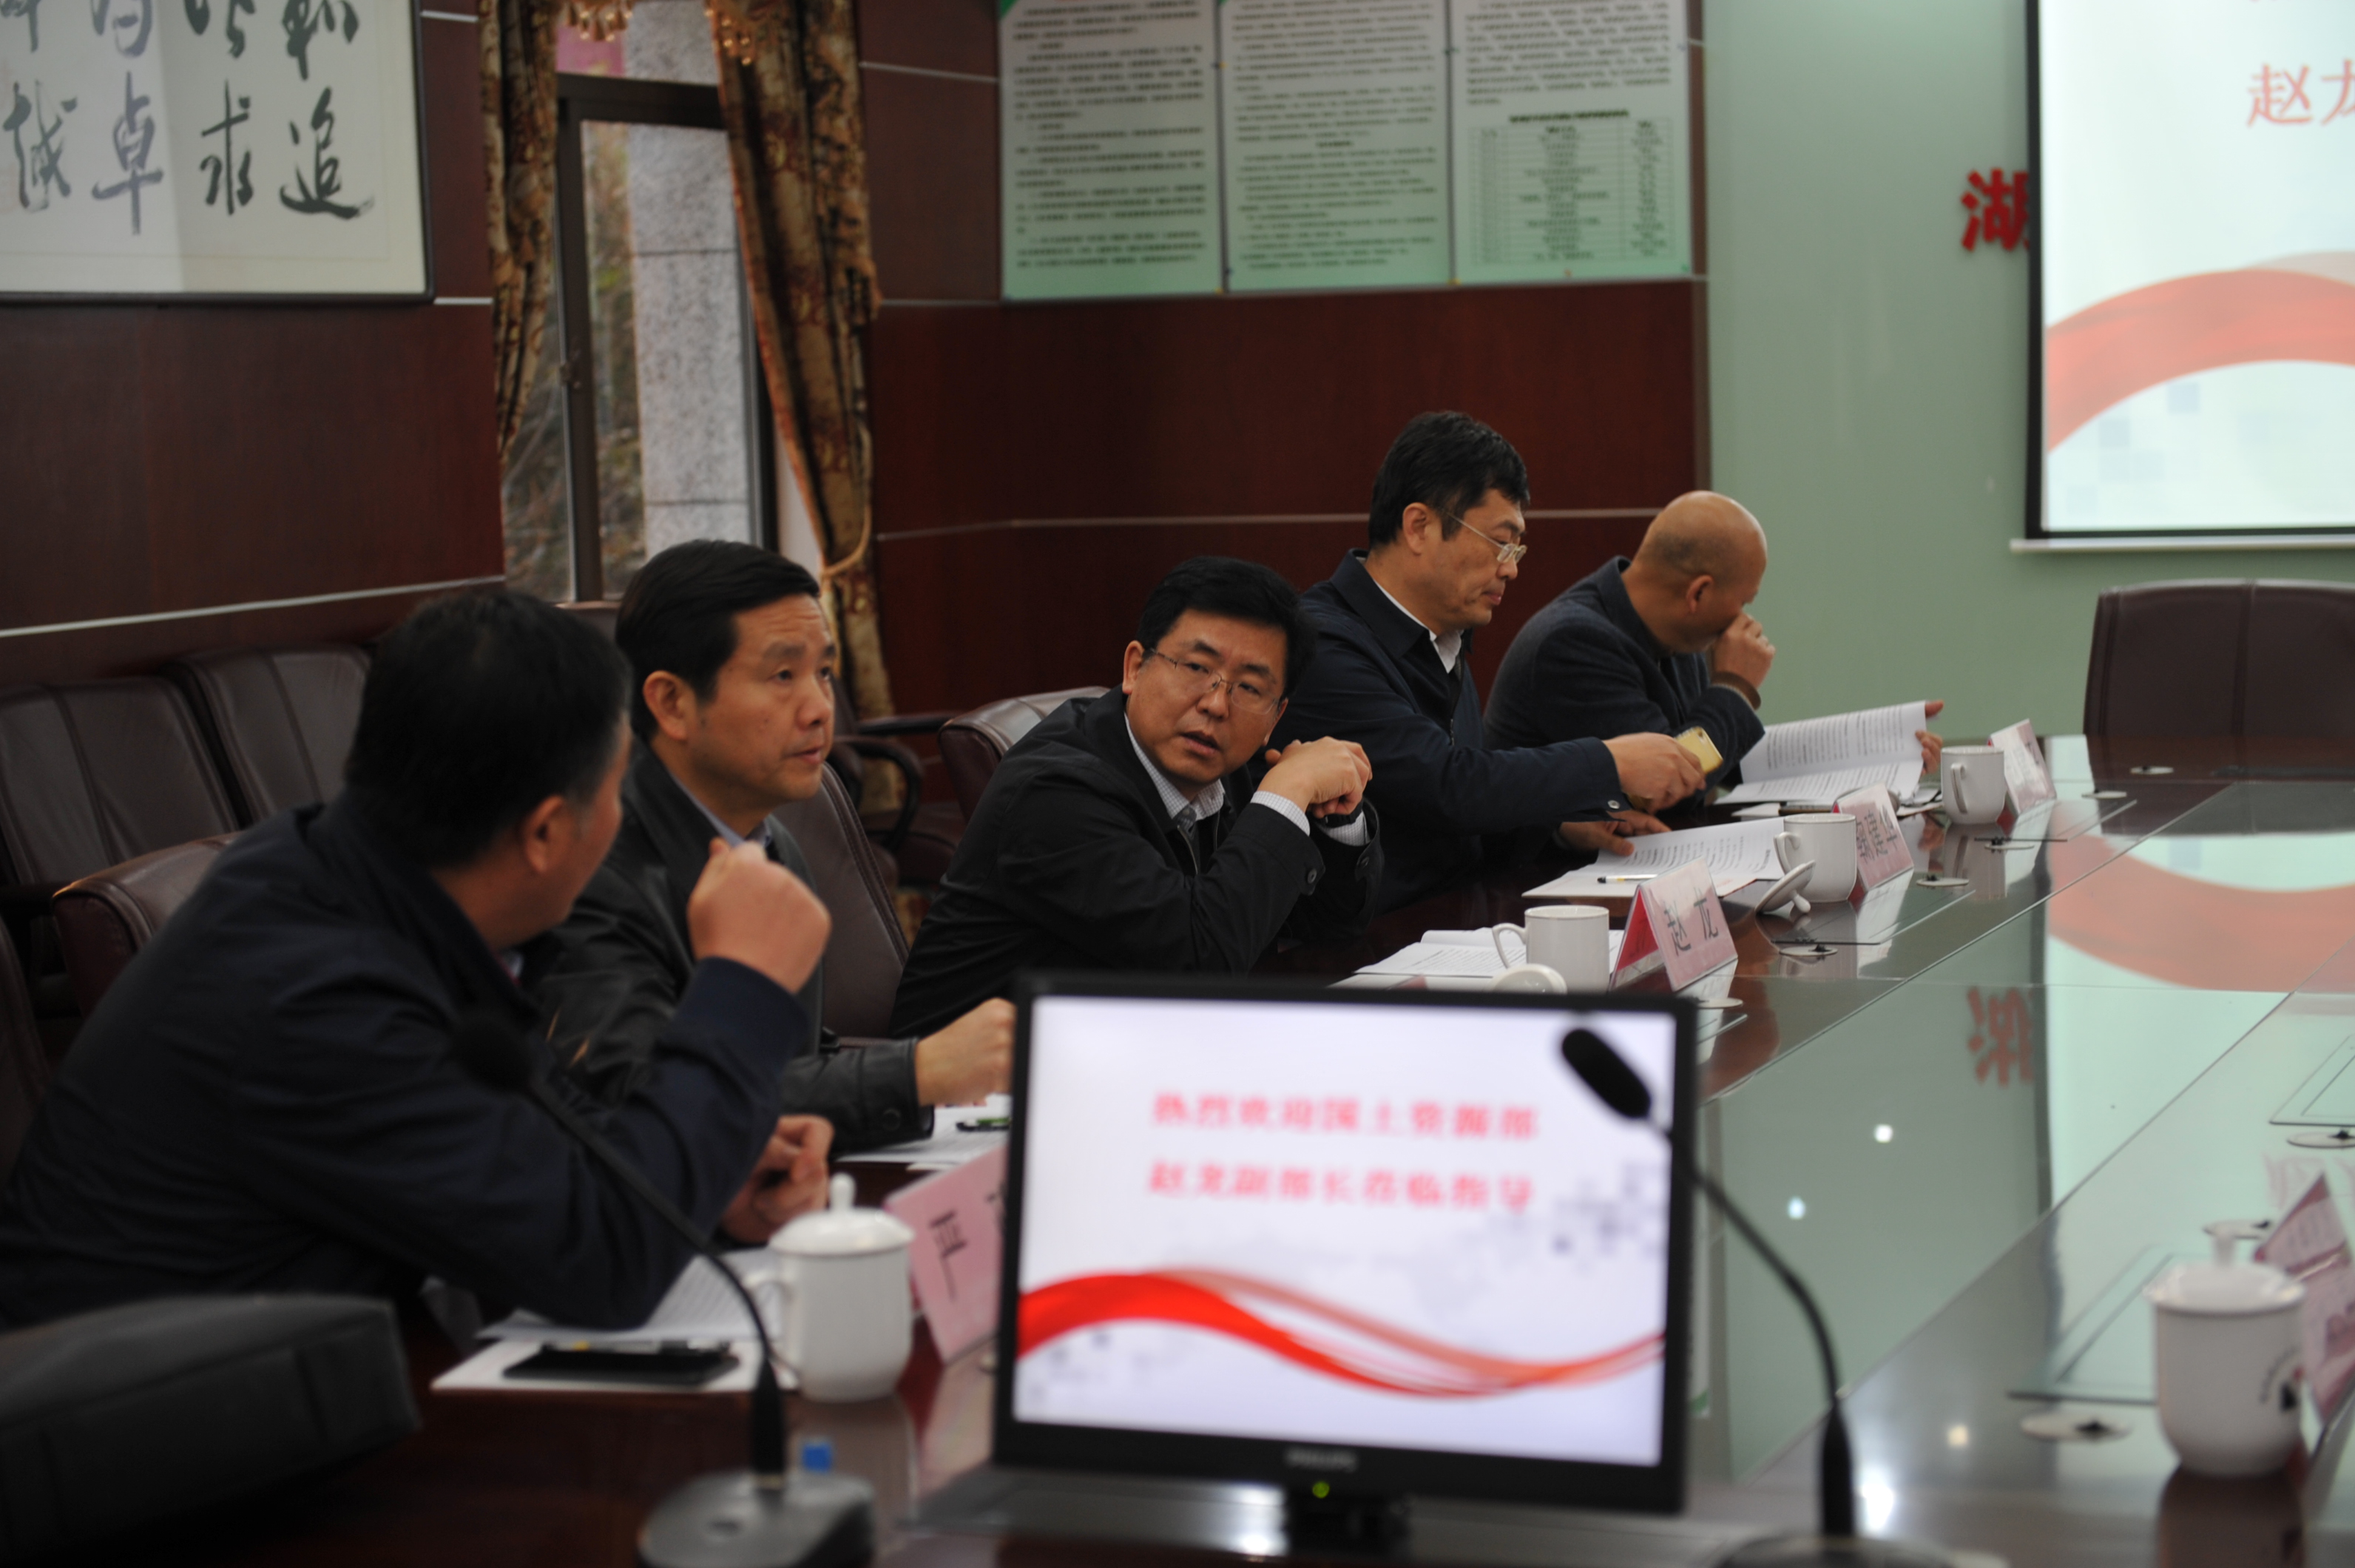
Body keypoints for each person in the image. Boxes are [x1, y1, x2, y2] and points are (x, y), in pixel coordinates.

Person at [0, 592, 836, 1331]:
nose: (623, 819)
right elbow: (602, 1263)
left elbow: (558, 1153)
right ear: (546, 831)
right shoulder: (314, 994)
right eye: (617, 792)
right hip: (142, 1434)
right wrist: (743, 987)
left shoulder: (346, 874)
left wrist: (706, 1178)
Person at [532, 542, 1012, 1152]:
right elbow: (640, 1108)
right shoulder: (591, 867)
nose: (819, 709)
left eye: (824, 673)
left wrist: (927, 1072)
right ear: (672, 703)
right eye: (783, 676)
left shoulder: (769, 839)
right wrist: (915, 1073)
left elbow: (794, 1060)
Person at [889, 557, 1381, 1038]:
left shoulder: (1219, 768)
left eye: (1250, 688)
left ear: (1276, 717)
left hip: (1128, 1048)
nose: (1215, 704)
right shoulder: (1054, 792)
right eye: (1196, 667)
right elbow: (1195, 963)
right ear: (1134, 668)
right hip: (984, 1081)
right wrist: (1285, 795)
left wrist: (1337, 818)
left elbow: (1328, 926)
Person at [1273, 411, 1709, 913]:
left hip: (1453, 923)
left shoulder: (1444, 636)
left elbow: (1451, 824)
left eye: (1516, 549)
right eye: (1501, 543)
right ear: (1419, 527)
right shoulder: (1324, 644)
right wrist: (1611, 762)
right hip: (1369, 941)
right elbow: (1447, 786)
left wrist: (1559, 830)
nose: (1511, 569)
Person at [1487, 491, 1944, 787]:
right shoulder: (1574, 644)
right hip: (1541, 892)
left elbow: (1726, 760)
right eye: (1744, 601)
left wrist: (1877, 756)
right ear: (1699, 593)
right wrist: (1734, 687)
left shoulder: (1674, 630)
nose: (1745, 618)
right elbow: (1679, 779)